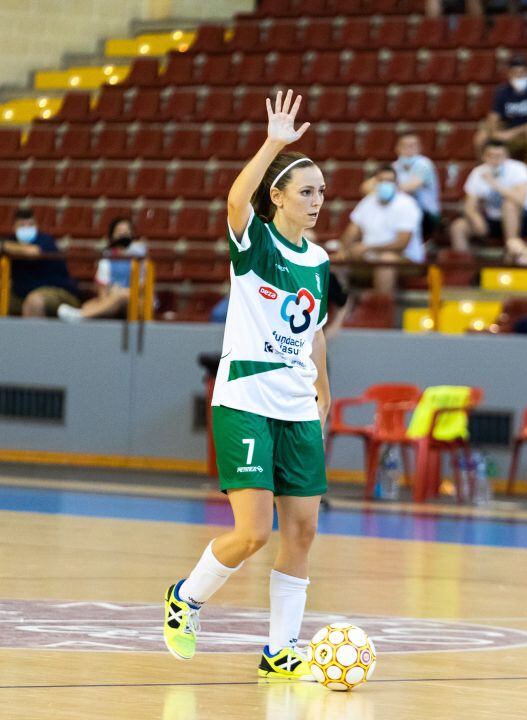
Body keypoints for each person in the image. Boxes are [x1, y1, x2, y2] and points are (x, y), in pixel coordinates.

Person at [163, 90, 332, 682]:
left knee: (304, 530)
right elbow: (236, 198)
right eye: (306, 192)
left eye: (321, 194)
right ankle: (186, 598)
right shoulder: (255, 242)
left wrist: (324, 388)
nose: (316, 202)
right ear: (279, 196)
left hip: (296, 405)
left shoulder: (320, 259)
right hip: (244, 401)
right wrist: (274, 143)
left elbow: (315, 332)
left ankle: (280, 650)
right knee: (254, 532)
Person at [449, 140, 527, 257]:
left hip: (526, 219)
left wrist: (493, 182)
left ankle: (511, 252)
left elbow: (520, 199)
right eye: (491, 156)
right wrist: (475, 218)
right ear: (483, 156)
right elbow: (469, 205)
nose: (495, 160)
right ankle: (463, 268)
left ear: (507, 156)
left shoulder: (519, 168)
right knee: (458, 227)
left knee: (509, 205)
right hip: (495, 220)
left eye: (499, 156)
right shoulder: (478, 172)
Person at [0, 209, 80, 318]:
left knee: (34, 302)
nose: (27, 228)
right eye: (22, 225)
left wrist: (3, 246)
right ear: (14, 228)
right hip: (21, 294)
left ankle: (32, 335)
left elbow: (33, 252)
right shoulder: (11, 240)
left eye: (31, 224)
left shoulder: (45, 240)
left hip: (57, 291)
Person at [340, 166, 425, 295]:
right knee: (335, 259)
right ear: (375, 183)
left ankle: (382, 309)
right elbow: (351, 232)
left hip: (405, 259)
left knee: (386, 260)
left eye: (389, 181)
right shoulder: (368, 202)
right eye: (381, 180)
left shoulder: (407, 204)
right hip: (370, 257)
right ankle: (338, 310)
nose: (385, 184)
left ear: (396, 184)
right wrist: (346, 250)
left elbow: (402, 243)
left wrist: (368, 247)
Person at [58, 218, 147, 323]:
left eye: (126, 232)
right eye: (119, 232)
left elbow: (143, 286)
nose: (123, 236)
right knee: (88, 305)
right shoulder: (107, 258)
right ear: (112, 236)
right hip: (113, 297)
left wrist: (123, 292)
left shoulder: (140, 256)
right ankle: (82, 317)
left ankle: (80, 316)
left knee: (120, 296)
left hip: (137, 300)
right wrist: (107, 299)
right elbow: (102, 289)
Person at [474, 56, 527, 162]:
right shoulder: (502, 91)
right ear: (509, 73)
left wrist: (511, 133)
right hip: (507, 126)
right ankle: (484, 167)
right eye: (515, 72)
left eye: (523, 72)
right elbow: (493, 117)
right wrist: (494, 132)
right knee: (480, 137)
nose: (519, 76)